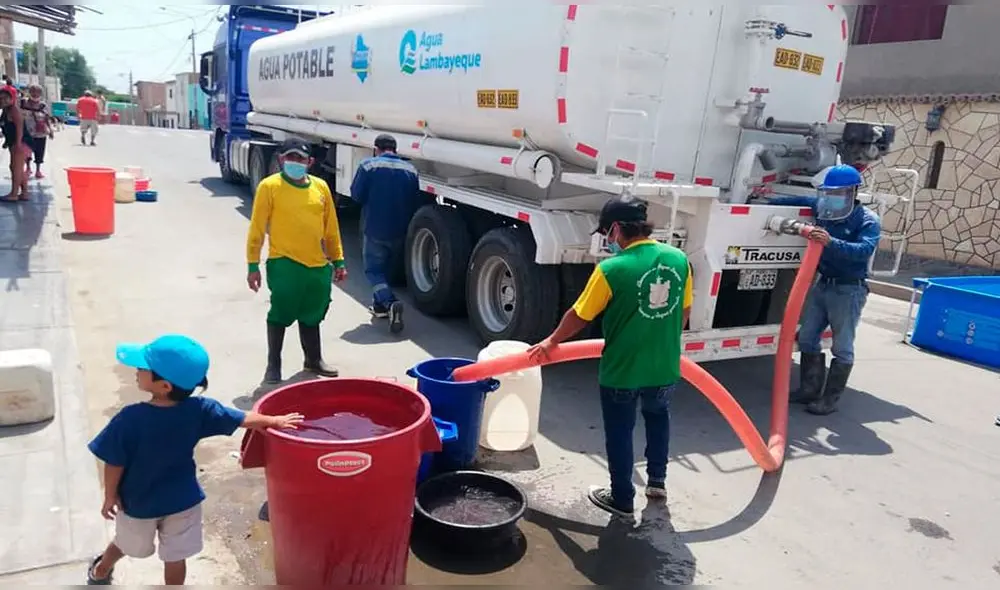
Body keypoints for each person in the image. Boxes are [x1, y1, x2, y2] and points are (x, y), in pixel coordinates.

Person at [84, 334, 304, 585]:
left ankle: (101, 570)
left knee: (125, 543)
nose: (136, 370)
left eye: (143, 367)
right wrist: (274, 421)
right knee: (176, 558)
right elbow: (241, 418)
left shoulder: (130, 419)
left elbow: (115, 462)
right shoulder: (199, 410)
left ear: (164, 385)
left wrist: (110, 496)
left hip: (138, 504)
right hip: (184, 503)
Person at [527, 197, 693, 518]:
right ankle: (656, 481)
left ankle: (621, 498)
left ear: (616, 228)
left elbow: (580, 314)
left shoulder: (611, 269)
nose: (607, 240)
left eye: (606, 232)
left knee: (620, 430)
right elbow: (684, 311)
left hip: (622, 369)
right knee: (658, 417)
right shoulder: (679, 259)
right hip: (664, 365)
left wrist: (551, 342)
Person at [765, 164, 880, 416]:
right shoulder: (824, 209)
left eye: (835, 193)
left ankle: (829, 399)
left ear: (851, 192)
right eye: (826, 193)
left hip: (849, 289)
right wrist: (765, 198)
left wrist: (832, 242)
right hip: (823, 284)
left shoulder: (867, 220)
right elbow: (800, 199)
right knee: (807, 336)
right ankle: (809, 389)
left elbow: (864, 250)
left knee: (842, 345)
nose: (829, 198)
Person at [247, 138, 347, 384]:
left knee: (313, 313)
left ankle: (313, 359)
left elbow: (331, 228)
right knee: (281, 312)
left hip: (316, 265)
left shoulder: (321, 188)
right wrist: (253, 264)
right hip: (284, 262)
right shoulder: (269, 187)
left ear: (310, 162)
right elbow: (257, 228)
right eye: (290, 157)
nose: (295, 162)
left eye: (300, 159)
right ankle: (273, 365)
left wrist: (338, 260)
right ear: (281, 159)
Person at [349, 133, 421, 333]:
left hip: (375, 227)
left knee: (373, 270)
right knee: (386, 270)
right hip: (400, 229)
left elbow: (356, 195)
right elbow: (415, 199)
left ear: (376, 148)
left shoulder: (368, 166)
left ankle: (390, 303)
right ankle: (379, 306)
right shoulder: (411, 169)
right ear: (395, 149)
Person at [0, 86, 29, 202]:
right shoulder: (5, 111)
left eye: (5, 98)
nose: (2, 101)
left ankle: (13, 194)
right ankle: (24, 192)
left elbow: (20, 127)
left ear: (12, 98)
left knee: (16, 168)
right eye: (0, 99)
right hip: (14, 142)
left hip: (20, 141)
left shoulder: (14, 110)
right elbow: (7, 127)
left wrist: (18, 144)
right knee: (16, 167)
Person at [21, 84, 53, 179]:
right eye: (33, 91)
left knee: (39, 152)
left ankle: (38, 170)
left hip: (40, 133)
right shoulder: (22, 103)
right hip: (26, 132)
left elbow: (47, 118)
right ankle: (28, 168)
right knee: (26, 152)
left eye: (37, 92)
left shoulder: (43, 105)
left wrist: (50, 130)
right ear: (29, 92)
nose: (35, 94)